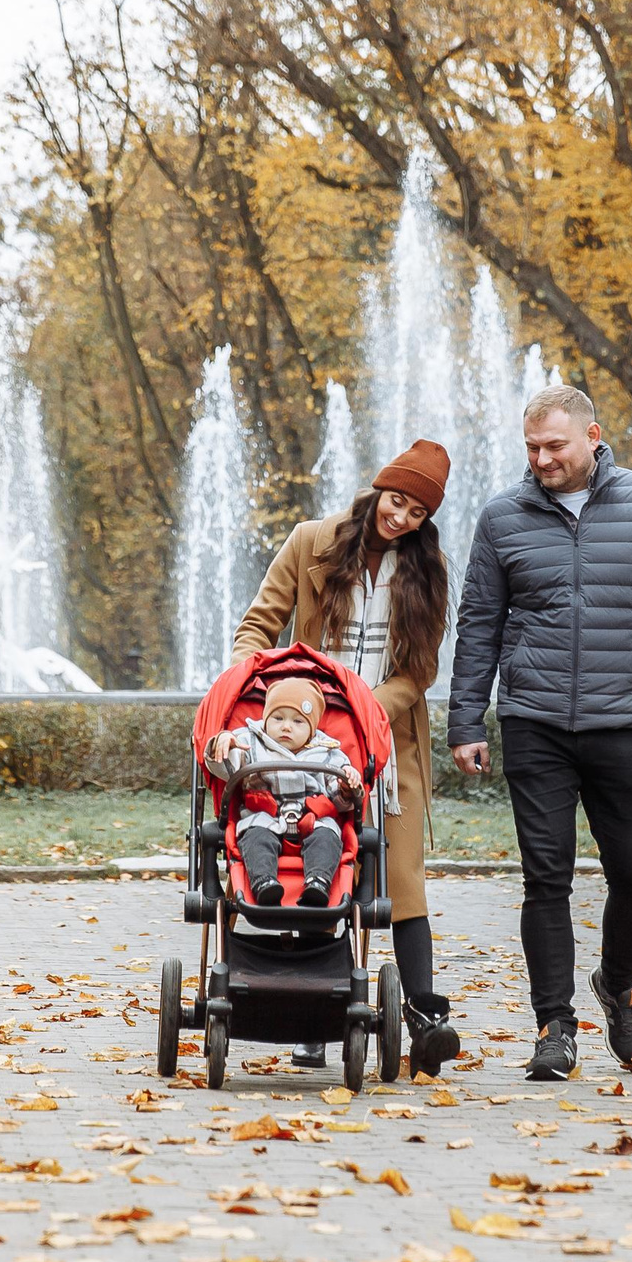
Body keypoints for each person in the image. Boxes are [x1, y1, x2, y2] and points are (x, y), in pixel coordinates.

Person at [448, 386, 632, 1081]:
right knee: (547, 878)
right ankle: (554, 1025)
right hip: (534, 721)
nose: (541, 459)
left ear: (592, 435)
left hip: (621, 720)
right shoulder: (503, 517)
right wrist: (465, 718)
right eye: (532, 448)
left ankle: (618, 981)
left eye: (555, 446)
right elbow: (478, 622)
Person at [233, 439, 463, 1078]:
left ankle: (424, 1015)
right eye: (397, 501)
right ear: (378, 490)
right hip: (305, 738)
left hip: (387, 740)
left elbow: (418, 671)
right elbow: (257, 629)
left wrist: (365, 711)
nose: (402, 518)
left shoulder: (426, 567)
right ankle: (311, 1017)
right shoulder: (313, 542)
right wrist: (257, 697)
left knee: (401, 873)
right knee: (310, 849)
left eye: (418, 512)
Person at [207, 677, 362, 907]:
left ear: (312, 729)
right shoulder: (249, 741)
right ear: (266, 718)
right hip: (264, 817)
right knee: (255, 835)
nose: (286, 726)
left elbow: (338, 801)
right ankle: (263, 883)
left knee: (328, 835)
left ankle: (318, 882)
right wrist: (223, 743)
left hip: (312, 820)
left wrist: (347, 786)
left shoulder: (329, 752)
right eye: (278, 718)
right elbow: (226, 769)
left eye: (298, 721)